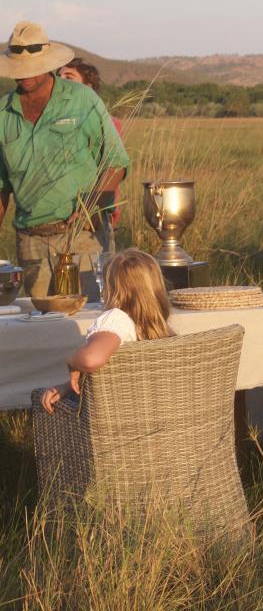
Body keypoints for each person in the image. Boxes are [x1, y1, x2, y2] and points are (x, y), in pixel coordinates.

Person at [0, 22, 129, 300]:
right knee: (41, 320)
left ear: (47, 64)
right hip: (30, 242)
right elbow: (1, 187)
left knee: (88, 317)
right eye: (19, 67)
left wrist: (88, 207)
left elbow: (115, 163)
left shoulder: (82, 100)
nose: (25, 74)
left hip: (82, 237)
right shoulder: (3, 113)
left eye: (32, 67)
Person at [39, 249, 173, 413]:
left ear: (111, 289)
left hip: (117, 414)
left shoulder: (117, 319)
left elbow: (91, 359)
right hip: (155, 412)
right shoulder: (158, 327)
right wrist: (69, 386)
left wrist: (71, 361)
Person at [59, 57, 124, 253]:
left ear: (88, 87)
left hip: (91, 219)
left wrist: (92, 209)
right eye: (59, 76)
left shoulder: (106, 122)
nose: (61, 81)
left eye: (69, 77)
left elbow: (114, 168)